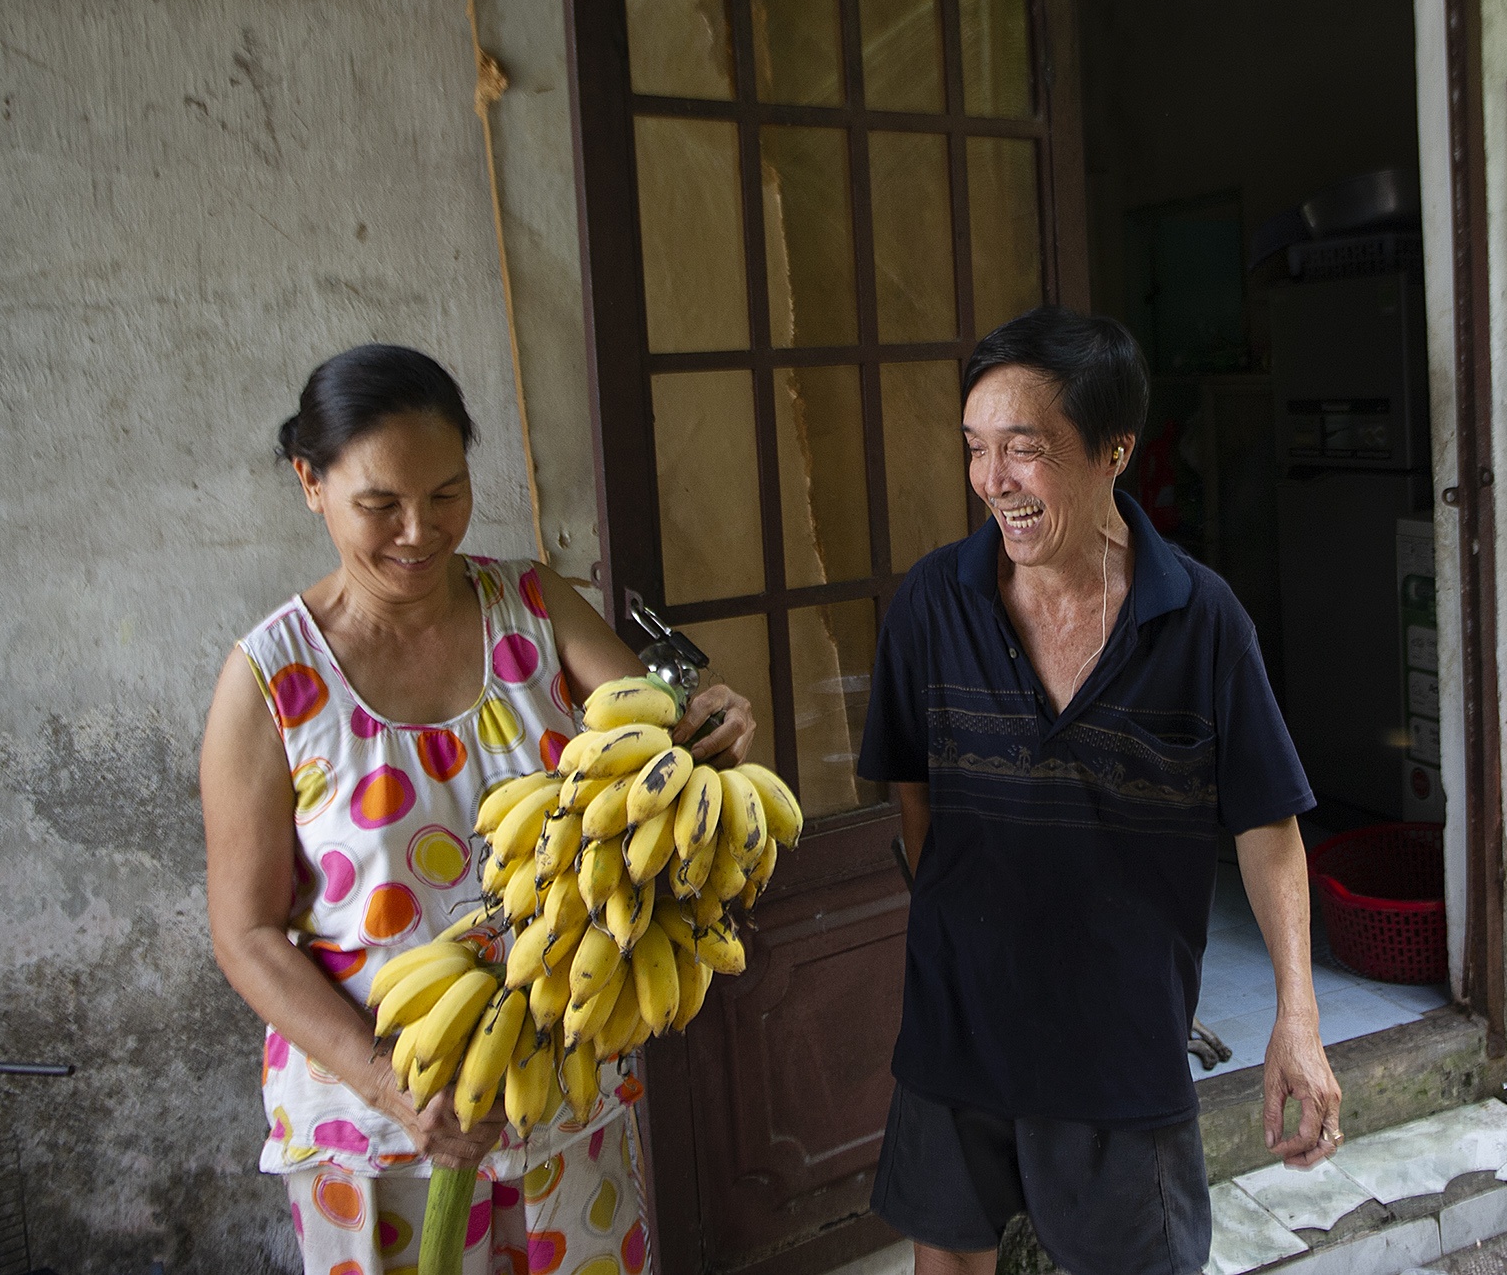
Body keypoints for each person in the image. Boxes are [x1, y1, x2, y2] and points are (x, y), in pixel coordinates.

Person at [201, 344, 754, 1275]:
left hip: (560, 1084)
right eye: (379, 504)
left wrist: (712, 724)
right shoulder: (270, 681)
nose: (418, 531)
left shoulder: (536, 606)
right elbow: (244, 933)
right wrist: (393, 1085)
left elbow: (655, 747)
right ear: (311, 483)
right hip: (376, 1128)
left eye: (446, 495)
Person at [858, 307, 1341, 1275]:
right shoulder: (929, 604)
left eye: (1023, 450)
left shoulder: (1199, 621)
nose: (992, 480)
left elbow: (1265, 824)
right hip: (958, 1025)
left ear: (1113, 450)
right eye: (974, 448)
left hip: (1120, 1041)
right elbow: (915, 804)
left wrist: (1297, 1014)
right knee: (948, 1259)